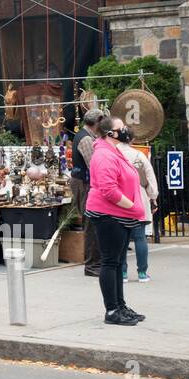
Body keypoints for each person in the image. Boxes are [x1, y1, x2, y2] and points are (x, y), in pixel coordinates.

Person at [85, 116, 147, 325]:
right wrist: (134, 206)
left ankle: (120, 306)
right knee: (110, 262)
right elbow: (109, 190)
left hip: (120, 214)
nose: (126, 130)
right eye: (121, 128)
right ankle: (112, 311)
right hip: (109, 214)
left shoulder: (113, 150)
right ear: (110, 133)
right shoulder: (103, 155)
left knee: (118, 262)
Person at [115, 128, 158, 283]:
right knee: (140, 237)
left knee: (121, 239)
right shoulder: (139, 156)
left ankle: (123, 273)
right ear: (132, 140)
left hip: (118, 197)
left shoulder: (112, 154)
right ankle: (142, 272)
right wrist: (153, 196)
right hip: (138, 197)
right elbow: (150, 179)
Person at [70, 109, 105, 277]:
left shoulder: (87, 136)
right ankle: (92, 265)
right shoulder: (85, 138)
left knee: (91, 223)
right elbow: (94, 165)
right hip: (84, 183)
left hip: (83, 182)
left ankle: (94, 262)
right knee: (90, 223)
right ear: (97, 121)